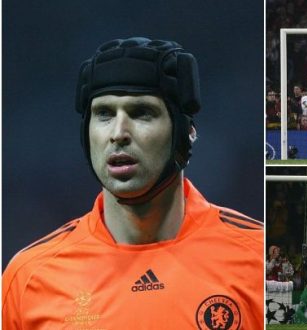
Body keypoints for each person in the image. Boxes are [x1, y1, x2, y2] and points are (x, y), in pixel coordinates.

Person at [2, 37, 263, 329]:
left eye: (142, 113)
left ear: (184, 133)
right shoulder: (29, 277)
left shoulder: (258, 258)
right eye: (104, 114)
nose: (118, 133)